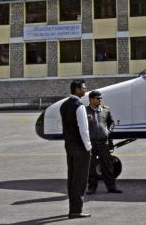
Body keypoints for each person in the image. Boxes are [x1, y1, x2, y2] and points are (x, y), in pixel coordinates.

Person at [60, 80, 92, 219]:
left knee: (72, 178)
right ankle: (76, 211)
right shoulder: (80, 106)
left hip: (69, 145)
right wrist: (88, 147)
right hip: (80, 147)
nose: (85, 90)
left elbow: (68, 125)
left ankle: (72, 209)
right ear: (77, 89)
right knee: (80, 180)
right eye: (84, 88)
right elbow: (83, 130)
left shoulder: (64, 105)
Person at [86, 90, 121, 194]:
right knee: (91, 166)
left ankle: (111, 187)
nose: (100, 100)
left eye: (101, 98)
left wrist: (108, 131)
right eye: (98, 98)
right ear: (91, 99)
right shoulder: (84, 111)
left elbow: (112, 123)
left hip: (103, 142)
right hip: (91, 143)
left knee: (107, 166)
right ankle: (92, 187)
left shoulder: (105, 110)